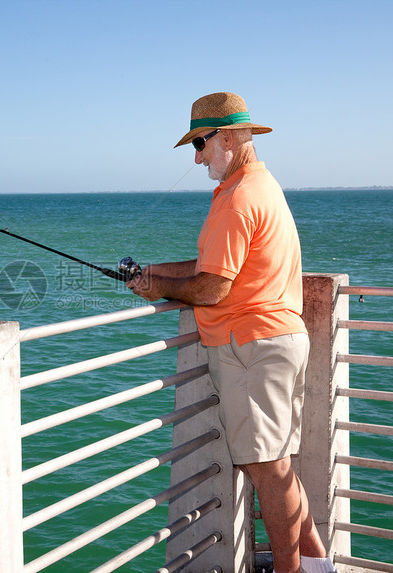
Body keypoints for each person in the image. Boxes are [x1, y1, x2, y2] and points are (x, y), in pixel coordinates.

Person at [127, 92, 336, 573]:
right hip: (274, 341)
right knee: (276, 466)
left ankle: (291, 571)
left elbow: (213, 287)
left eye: (200, 143)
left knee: (268, 470)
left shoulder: (238, 199)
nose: (197, 157)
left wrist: (158, 286)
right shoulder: (260, 186)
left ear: (229, 137)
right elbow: (214, 267)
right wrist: (154, 272)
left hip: (252, 348)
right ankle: (318, 567)